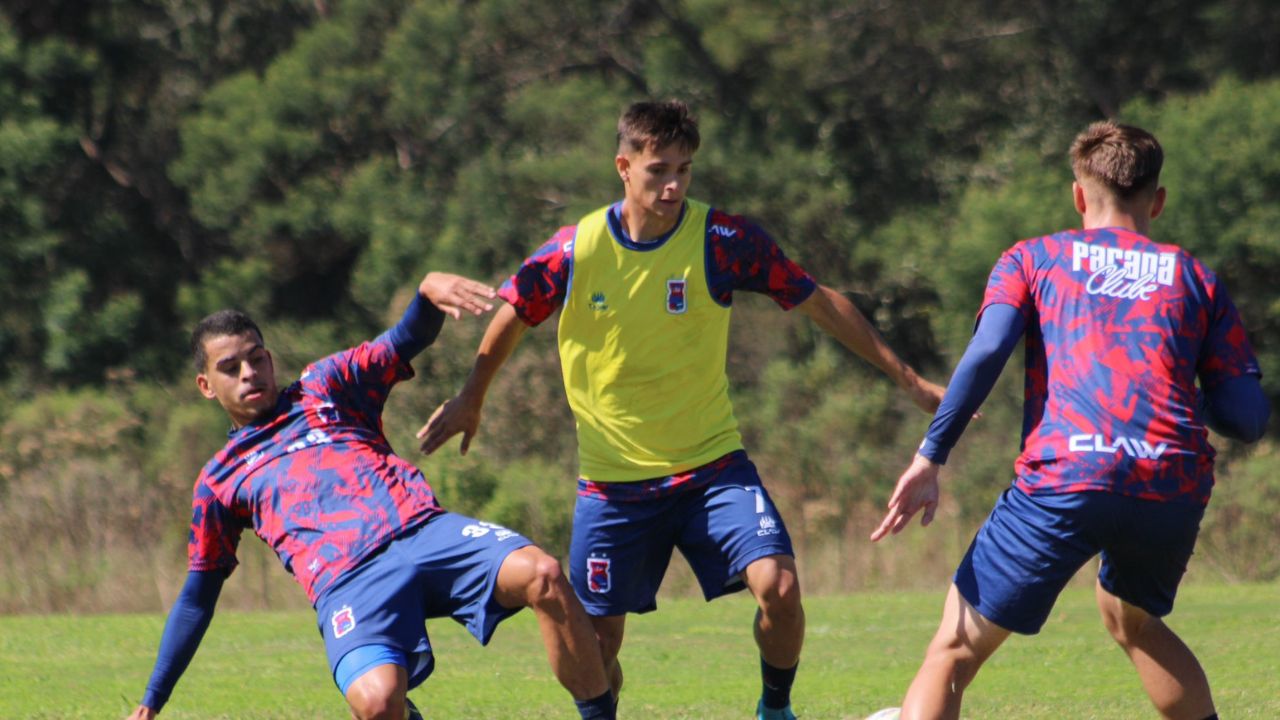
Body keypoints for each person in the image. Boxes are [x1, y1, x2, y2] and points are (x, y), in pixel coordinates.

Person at [417, 100, 945, 720]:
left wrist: (907, 378)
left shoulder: (722, 242)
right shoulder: (575, 249)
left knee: (779, 586)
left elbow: (818, 302)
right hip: (613, 486)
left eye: (685, 171)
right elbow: (512, 311)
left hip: (712, 468)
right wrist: (472, 395)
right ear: (623, 166)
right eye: (658, 170)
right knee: (599, 647)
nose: (672, 185)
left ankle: (775, 711)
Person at [870, 121, 1269, 720]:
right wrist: (1184, 390)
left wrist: (931, 456)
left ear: (1079, 196)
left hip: (1068, 473)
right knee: (1131, 619)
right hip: (1170, 480)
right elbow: (1247, 419)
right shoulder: (1195, 277)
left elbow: (986, 354)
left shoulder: (1033, 258)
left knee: (953, 649)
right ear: (1157, 201)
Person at [126, 272, 616, 720]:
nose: (249, 373)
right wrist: (152, 702)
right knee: (379, 702)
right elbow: (197, 599)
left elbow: (405, 341)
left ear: (270, 360)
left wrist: (425, 295)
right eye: (230, 367)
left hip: (424, 531)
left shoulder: (326, 386)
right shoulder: (220, 480)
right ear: (206, 386)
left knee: (544, 574)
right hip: (349, 581)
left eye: (256, 358)